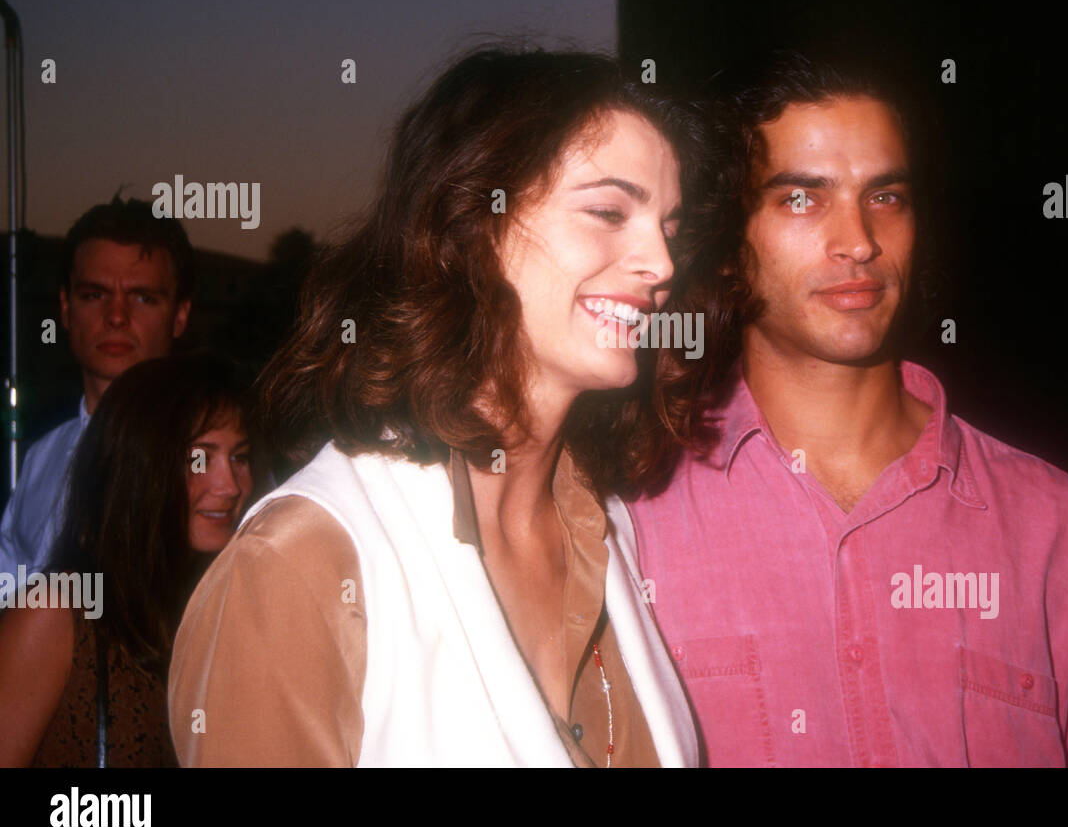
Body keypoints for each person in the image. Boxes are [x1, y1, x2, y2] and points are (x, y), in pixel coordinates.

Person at [168, 46, 703, 767]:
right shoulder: (300, 568)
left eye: (670, 227)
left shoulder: (611, 530)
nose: (662, 264)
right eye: (609, 211)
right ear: (472, 225)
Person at [628, 48, 1068, 767]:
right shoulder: (631, 520)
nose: (859, 242)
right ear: (725, 246)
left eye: (886, 196)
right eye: (801, 197)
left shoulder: (1057, 531)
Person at [0, 352, 257, 766]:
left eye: (239, 457)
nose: (229, 485)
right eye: (200, 458)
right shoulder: (55, 611)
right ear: (139, 467)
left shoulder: (221, 610)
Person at [0, 197, 194, 587]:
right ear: (66, 308)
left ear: (179, 315)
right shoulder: (41, 458)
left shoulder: (217, 462)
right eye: (94, 294)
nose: (117, 315)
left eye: (143, 297)